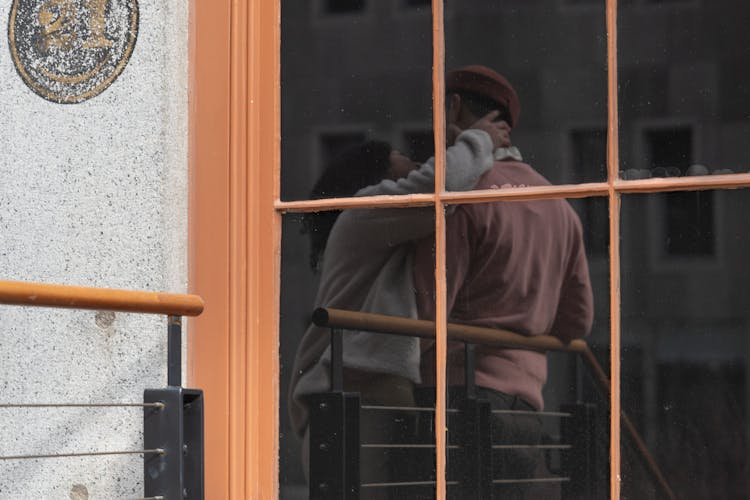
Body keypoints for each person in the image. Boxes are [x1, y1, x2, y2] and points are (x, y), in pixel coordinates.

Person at [288, 113, 509, 490]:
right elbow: (442, 186)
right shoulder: (365, 212)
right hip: (353, 395)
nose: (416, 164)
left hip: (361, 392)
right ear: (377, 179)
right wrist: (478, 139)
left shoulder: (375, 231)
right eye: (402, 158)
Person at [413, 65, 594, 498]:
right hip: (525, 408)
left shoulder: (466, 198)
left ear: (455, 107)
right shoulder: (560, 209)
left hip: (456, 399)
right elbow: (577, 323)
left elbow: (426, 307)